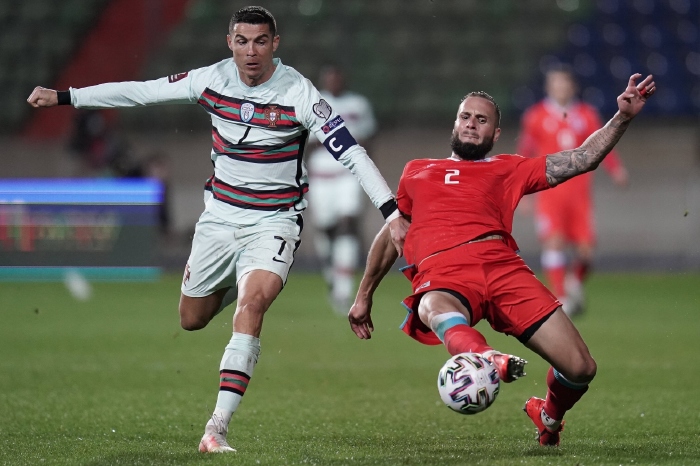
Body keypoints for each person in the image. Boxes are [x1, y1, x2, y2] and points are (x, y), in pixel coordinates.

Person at [27, 6, 409, 454]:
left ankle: (217, 427)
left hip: (274, 221)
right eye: (242, 41)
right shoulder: (211, 80)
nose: (251, 51)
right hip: (220, 220)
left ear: (275, 44)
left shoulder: (299, 93)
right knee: (191, 319)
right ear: (230, 42)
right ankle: (237, 279)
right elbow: (142, 92)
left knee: (252, 305)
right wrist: (66, 96)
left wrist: (391, 212)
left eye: (261, 41)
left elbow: (352, 153)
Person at [348, 74, 655, 447]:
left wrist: (621, 117)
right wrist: (364, 295)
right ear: (455, 124)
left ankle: (548, 417)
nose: (471, 124)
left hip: (504, 270)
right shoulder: (417, 171)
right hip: (444, 272)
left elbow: (582, 158)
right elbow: (392, 234)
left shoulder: (509, 167)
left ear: (495, 134)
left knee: (580, 367)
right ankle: (486, 357)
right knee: (431, 305)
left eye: (481, 120)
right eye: (465, 117)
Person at [517, 66, 629, 316]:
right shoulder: (535, 116)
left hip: (579, 194)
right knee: (554, 242)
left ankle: (573, 281)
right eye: (555, 83)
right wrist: (522, 193)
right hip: (550, 192)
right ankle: (562, 297)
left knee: (586, 251)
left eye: (564, 83)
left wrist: (616, 169)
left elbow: (604, 143)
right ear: (548, 87)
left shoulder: (587, 115)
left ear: (572, 86)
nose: (560, 88)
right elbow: (525, 152)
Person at [307, 65, 378, 314]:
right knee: (326, 228)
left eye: (338, 78)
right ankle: (332, 272)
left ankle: (343, 290)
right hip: (321, 176)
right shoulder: (312, 103)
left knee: (347, 223)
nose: (334, 82)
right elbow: (304, 142)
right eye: (330, 78)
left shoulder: (358, 104)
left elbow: (369, 136)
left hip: (349, 173)